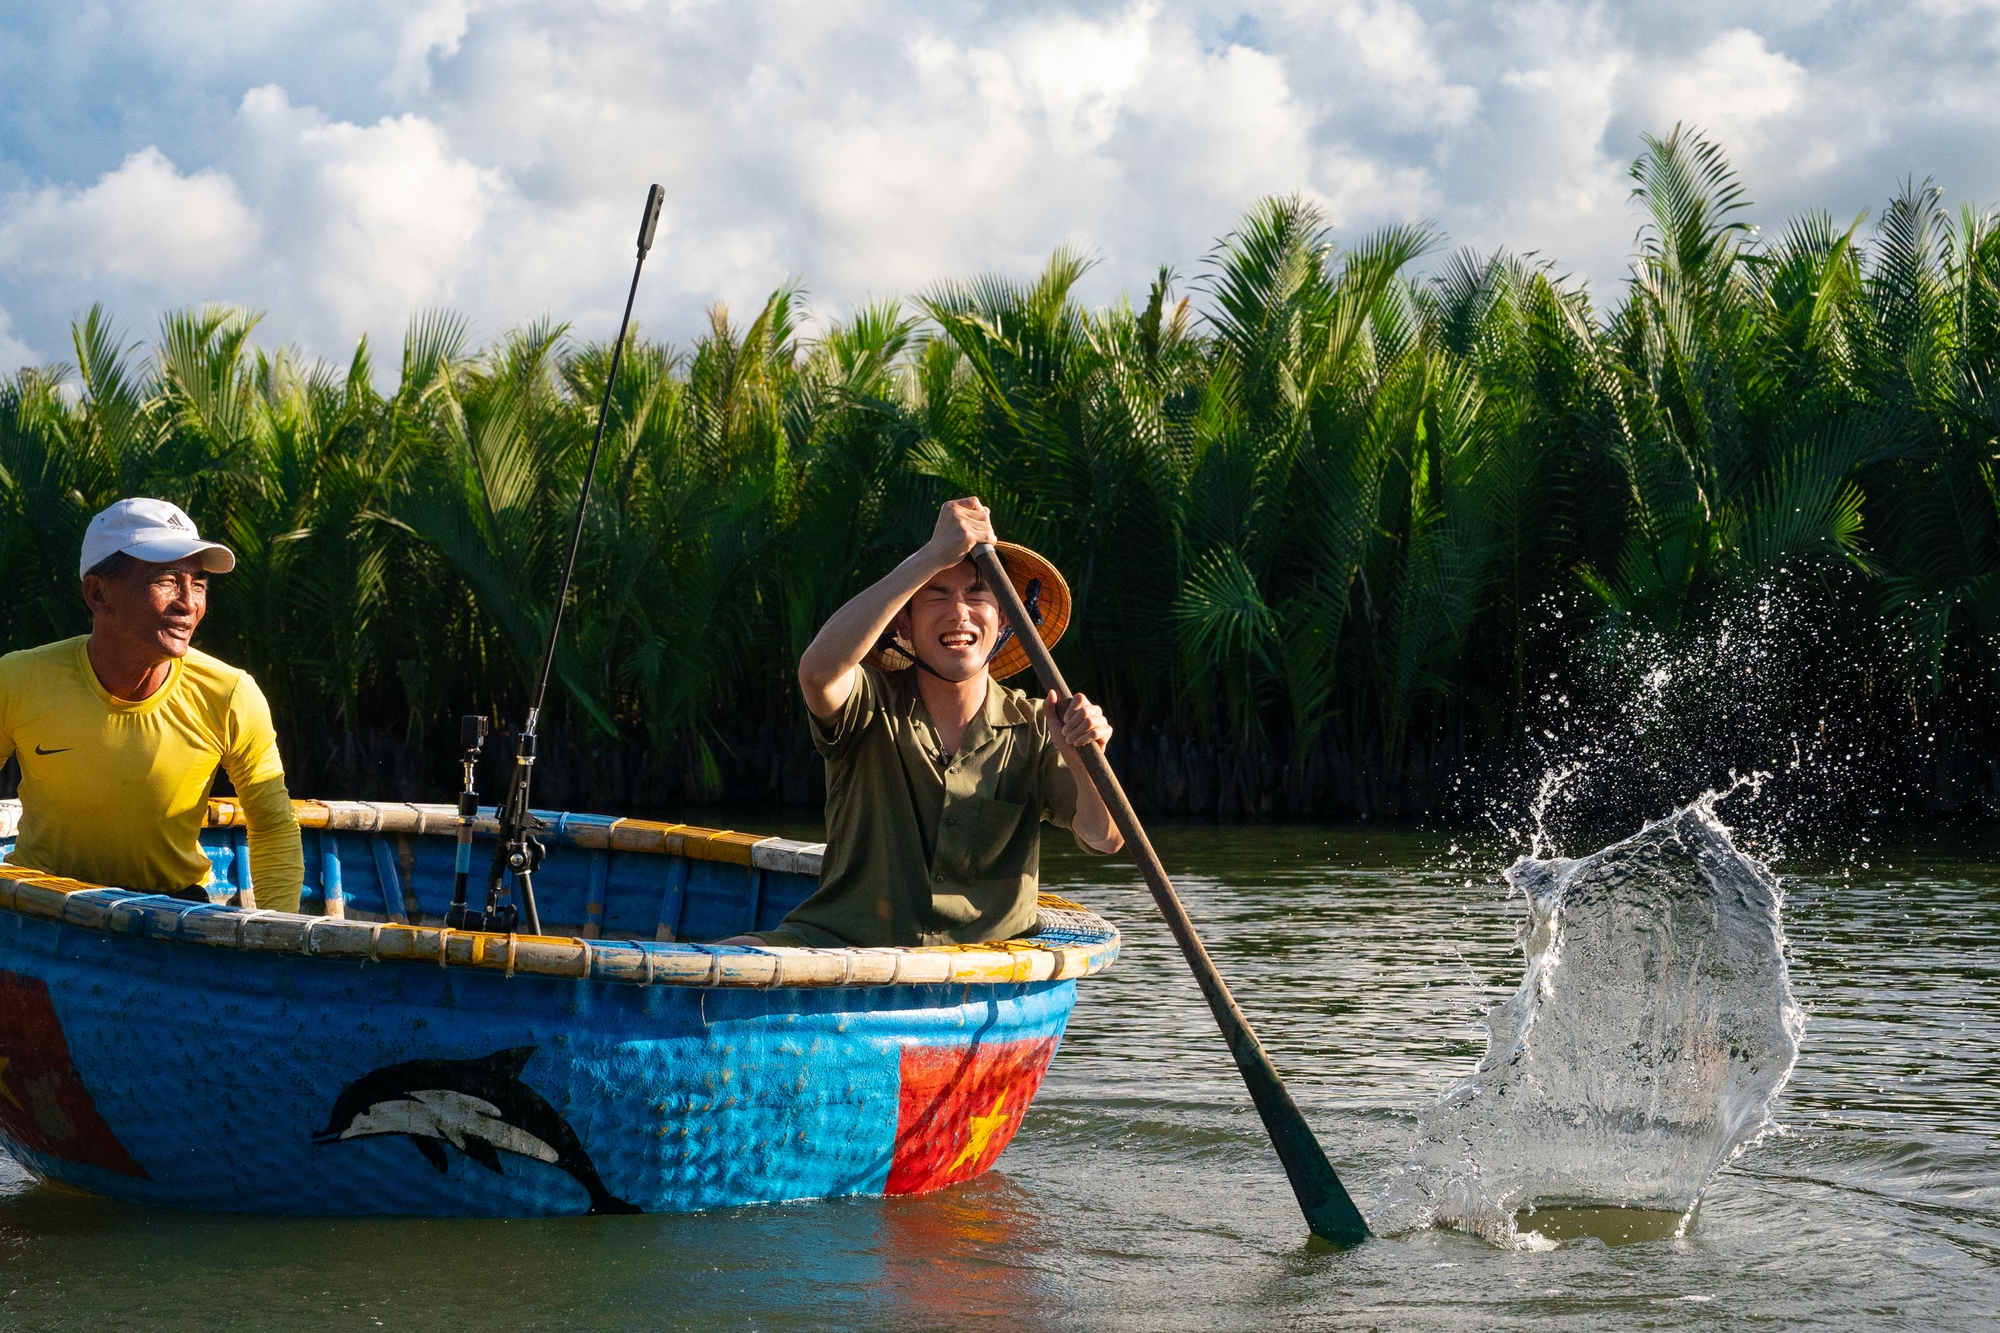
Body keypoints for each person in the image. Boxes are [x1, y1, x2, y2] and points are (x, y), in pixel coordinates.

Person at [737, 496, 1121, 949]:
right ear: (904, 622)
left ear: (1003, 622)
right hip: (841, 947)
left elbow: (1105, 837)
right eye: (937, 594)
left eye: (977, 594)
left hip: (982, 969)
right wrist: (932, 556)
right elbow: (817, 673)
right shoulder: (870, 702)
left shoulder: (1039, 724)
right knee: (706, 970)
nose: (958, 612)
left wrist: (1081, 758)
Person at [0, 499, 304, 911]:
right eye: (166, 580)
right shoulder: (18, 679)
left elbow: (271, 827)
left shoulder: (230, 694)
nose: (188, 603)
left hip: (172, 916)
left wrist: (278, 939)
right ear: (97, 594)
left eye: (198, 583)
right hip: (42, 909)